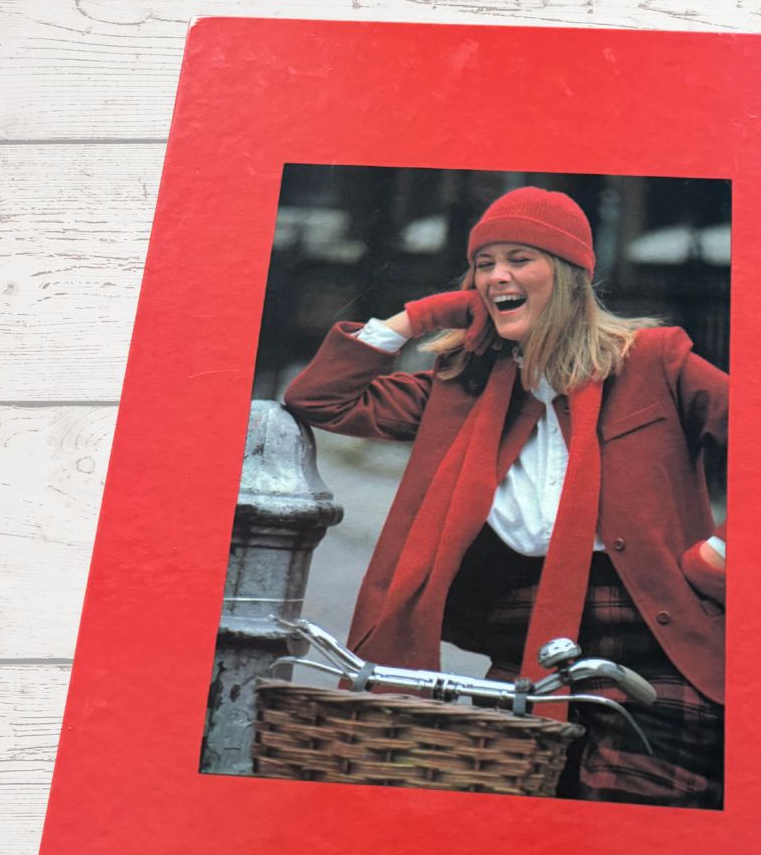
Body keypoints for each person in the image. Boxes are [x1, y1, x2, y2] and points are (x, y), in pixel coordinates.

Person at [284, 186, 728, 808]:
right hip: (528, 656)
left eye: (520, 258)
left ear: (569, 276)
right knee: (521, 821)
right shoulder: (459, 388)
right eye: (484, 264)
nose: (497, 277)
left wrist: (720, 558)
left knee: (631, 821)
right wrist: (420, 315)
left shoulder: (654, 363)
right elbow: (319, 400)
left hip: (657, 647)